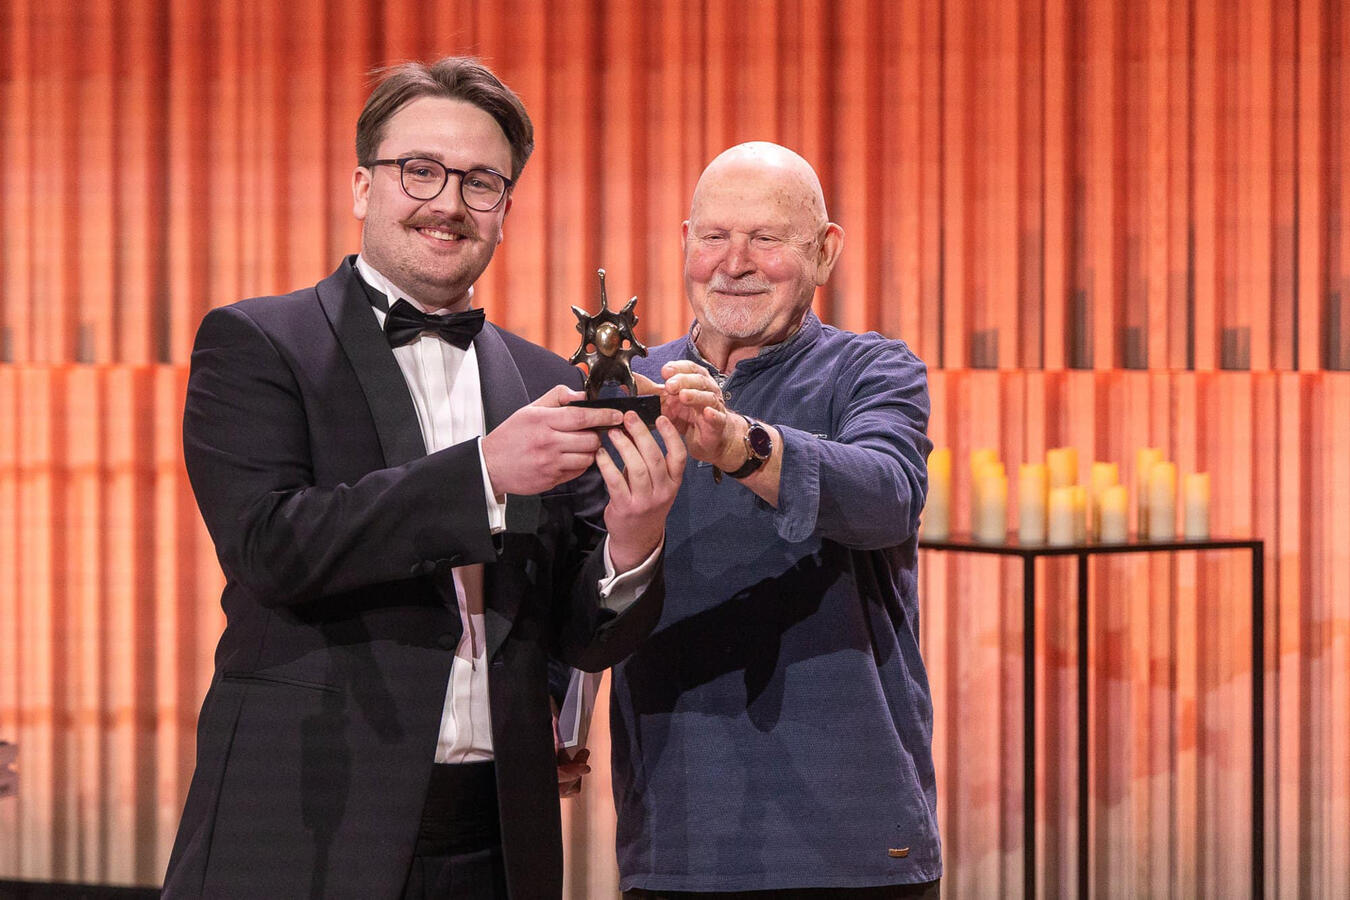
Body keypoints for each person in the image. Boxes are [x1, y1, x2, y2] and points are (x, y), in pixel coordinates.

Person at [163, 57, 685, 899]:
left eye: (480, 182)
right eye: (420, 170)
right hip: (304, 818)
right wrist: (483, 473)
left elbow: (583, 640)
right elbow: (271, 548)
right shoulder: (258, 342)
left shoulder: (543, 378)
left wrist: (634, 542)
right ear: (362, 186)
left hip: (498, 835)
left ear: (505, 211)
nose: (448, 202)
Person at [612, 142, 941, 897]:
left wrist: (736, 444)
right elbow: (578, 571)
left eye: (766, 239)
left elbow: (887, 495)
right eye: (714, 237)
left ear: (825, 251)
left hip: (856, 838)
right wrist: (557, 713)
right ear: (685, 242)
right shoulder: (631, 387)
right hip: (677, 831)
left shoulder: (873, 370)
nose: (734, 264)